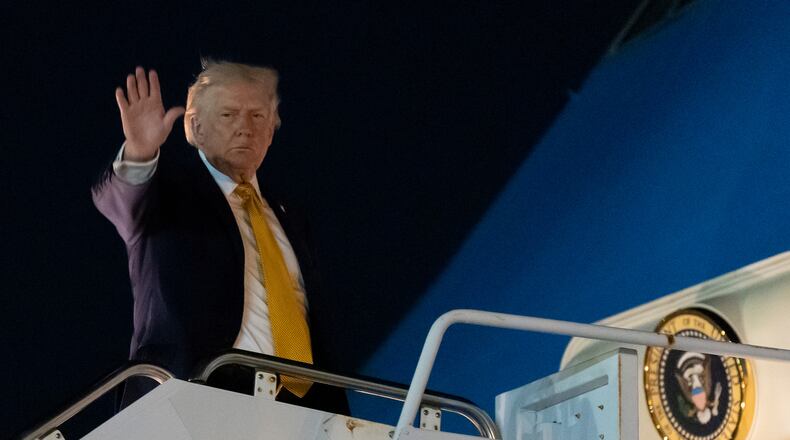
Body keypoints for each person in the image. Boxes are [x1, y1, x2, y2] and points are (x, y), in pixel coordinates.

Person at [92, 61, 348, 414]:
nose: (245, 128)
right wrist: (139, 151)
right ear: (195, 127)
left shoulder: (290, 215)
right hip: (196, 396)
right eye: (228, 115)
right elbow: (122, 198)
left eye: (258, 117)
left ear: (272, 131)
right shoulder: (166, 196)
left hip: (298, 408)